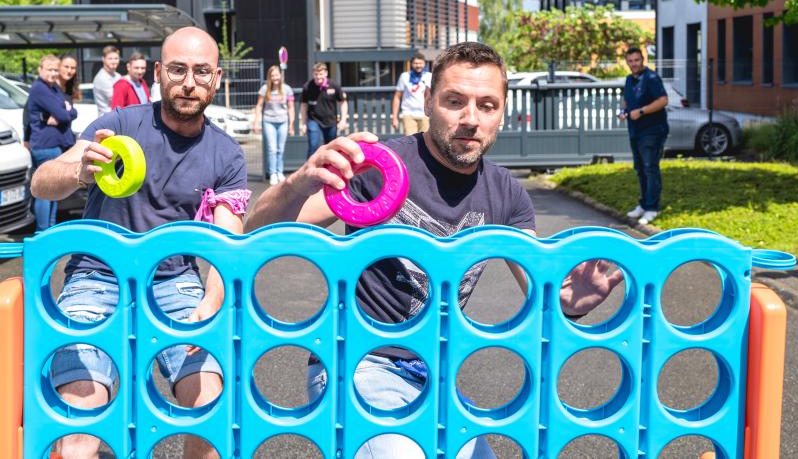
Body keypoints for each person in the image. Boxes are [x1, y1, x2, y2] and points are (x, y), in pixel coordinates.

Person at [247, 42, 623, 459]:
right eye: (455, 101)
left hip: (435, 376)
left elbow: (542, 285)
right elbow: (261, 232)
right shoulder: (379, 166)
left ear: (502, 113)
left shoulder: (506, 194)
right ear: (427, 101)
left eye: (487, 105)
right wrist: (299, 181)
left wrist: (570, 301)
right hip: (358, 367)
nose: (470, 119)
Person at [31, 27, 249, 459]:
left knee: (211, 401)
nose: (189, 82)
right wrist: (79, 172)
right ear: (158, 73)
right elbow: (41, 183)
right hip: (96, 276)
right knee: (81, 406)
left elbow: (227, 240)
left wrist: (212, 300)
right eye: (178, 69)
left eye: (201, 72)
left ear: (217, 78)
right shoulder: (117, 125)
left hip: (174, 281)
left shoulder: (226, 154)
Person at [26, 55, 78, 231]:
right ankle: (42, 232)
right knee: (45, 192)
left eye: (55, 70)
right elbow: (64, 114)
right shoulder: (40, 89)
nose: (53, 73)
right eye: (49, 69)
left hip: (54, 145)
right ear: (40, 69)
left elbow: (70, 112)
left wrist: (67, 112)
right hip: (45, 146)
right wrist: (65, 112)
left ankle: (49, 229)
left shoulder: (53, 88)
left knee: (53, 191)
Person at [619, 47, 669, 225]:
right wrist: (623, 111)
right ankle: (643, 204)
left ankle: (652, 208)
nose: (633, 64)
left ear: (643, 60)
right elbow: (627, 100)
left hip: (652, 131)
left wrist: (642, 111)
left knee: (650, 167)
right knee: (640, 168)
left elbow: (663, 100)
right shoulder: (629, 80)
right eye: (630, 61)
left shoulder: (652, 78)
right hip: (636, 131)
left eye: (636, 60)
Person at [253, 64, 296, 185]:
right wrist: (256, 122)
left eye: (276, 75)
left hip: (283, 121)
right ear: (269, 77)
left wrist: (291, 123)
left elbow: (291, 108)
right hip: (269, 121)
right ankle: (272, 173)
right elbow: (259, 105)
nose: (275, 77)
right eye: (272, 75)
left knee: (280, 149)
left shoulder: (287, 89)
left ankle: (279, 172)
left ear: (280, 75)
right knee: (272, 149)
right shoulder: (265, 88)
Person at [299, 62, 347, 158]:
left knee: (331, 148)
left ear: (326, 73)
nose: (318, 77)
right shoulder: (308, 86)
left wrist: (343, 120)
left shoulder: (334, 85)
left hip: (331, 121)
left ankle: (330, 169)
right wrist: (303, 124)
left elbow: (343, 102)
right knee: (313, 145)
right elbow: (304, 106)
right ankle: (310, 171)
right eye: (316, 74)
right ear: (313, 74)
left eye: (320, 74)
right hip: (314, 120)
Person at [391, 53, 432, 135]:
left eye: (420, 63)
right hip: (408, 114)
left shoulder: (430, 76)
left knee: (426, 141)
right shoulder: (404, 76)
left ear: (425, 64)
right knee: (410, 141)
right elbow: (397, 97)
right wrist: (395, 117)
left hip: (425, 114)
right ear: (411, 64)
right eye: (415, 63)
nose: (418, 65)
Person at [92, 45, 121, 115]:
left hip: (117, 116)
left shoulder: (118, 76)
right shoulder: (101, 77)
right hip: (106, 119)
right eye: (110, 58)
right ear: (103, 59)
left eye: (116, 58)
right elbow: (116, 99)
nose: (114, 61)